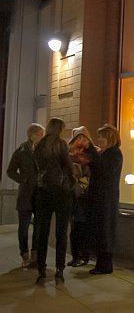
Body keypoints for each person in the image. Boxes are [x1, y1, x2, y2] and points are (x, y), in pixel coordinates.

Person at [33, 117, 75, 285]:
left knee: (42, 231)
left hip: (44, 192)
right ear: (60, 130)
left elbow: (37, 167)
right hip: (61, 193)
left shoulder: (39, 146)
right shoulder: (61, 145)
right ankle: (59, 269)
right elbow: (68, 168)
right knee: (61, 232)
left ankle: (41, 269)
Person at [6, 123, 45, 269]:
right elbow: (10, 171)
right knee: (23, 226)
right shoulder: (21, 151)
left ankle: (35, 254)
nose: (42, 137)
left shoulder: (43, 150)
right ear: (33, 135)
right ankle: (24, 254)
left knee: (39, 226)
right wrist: (22, 179)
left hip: (40, 194)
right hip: (25, 194)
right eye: (40, 134)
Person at [88, 124, 123, 274]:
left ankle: (105, 265)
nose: (99, 139)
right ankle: (100, 263)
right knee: (100, 230)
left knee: (105, 230)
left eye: (102, 136)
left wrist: (92, 153)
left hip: (107, 199)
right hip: (100, 197)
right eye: (98, 137)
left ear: (110, 138)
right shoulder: (105, 153)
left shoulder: (115, 154)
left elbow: (104, 170)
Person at [68, 126, 98, 267]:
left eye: (82, 137)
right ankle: (75, 256)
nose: (80, 141)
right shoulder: (70, 153)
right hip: (74, 195)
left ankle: (83, 256)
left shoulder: (94, 152)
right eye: (77, 138)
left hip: (87, 196)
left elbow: (94, 173)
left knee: (83, 227)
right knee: (75, 228)